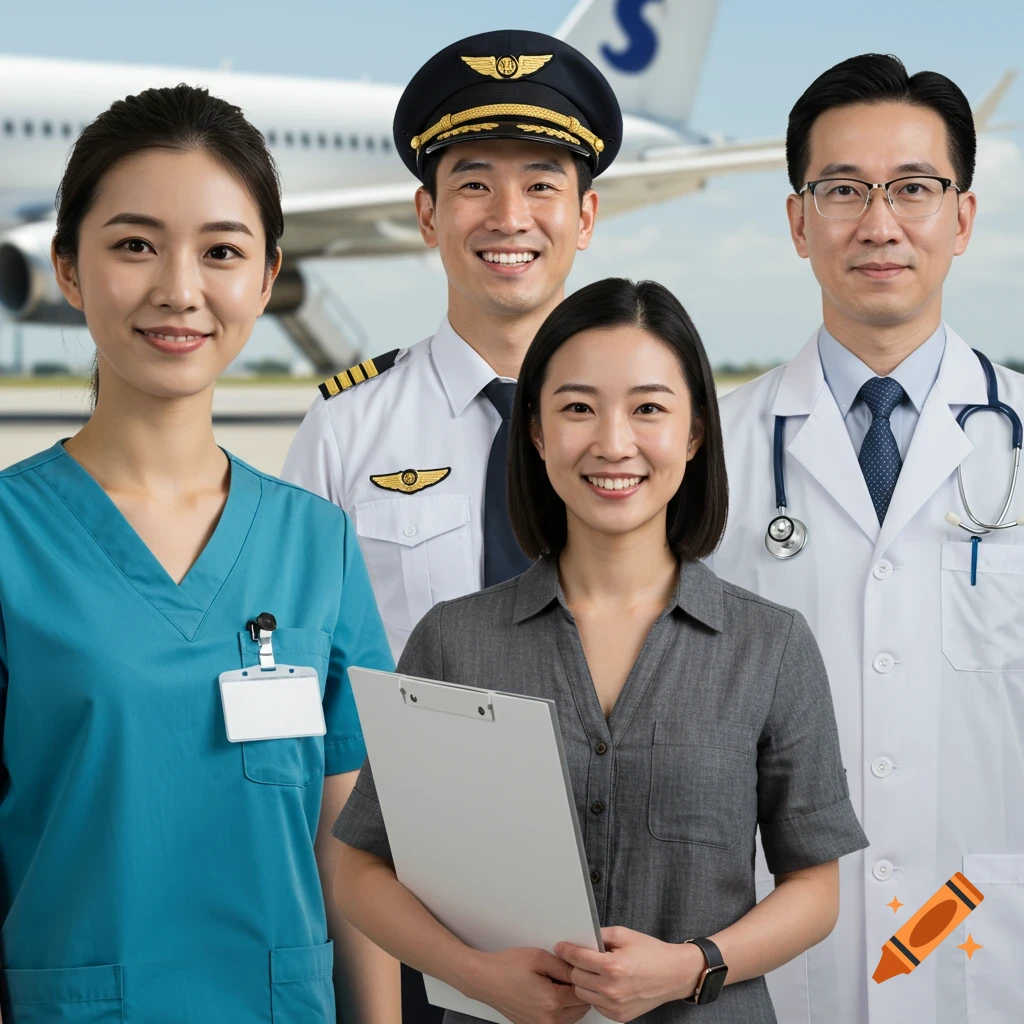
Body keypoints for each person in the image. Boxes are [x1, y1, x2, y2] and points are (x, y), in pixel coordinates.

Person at [329, 278, 869, 1024]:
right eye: (578, 408)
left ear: (694, 433)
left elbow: (816, 890)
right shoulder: (452, 640)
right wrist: (479, 977)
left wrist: (690, 969)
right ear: (537, 432)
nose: (614, 443)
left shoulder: (771, 646)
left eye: (649, 408)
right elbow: (361, 867)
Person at [0, 85, 397, 1023]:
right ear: (67, 267)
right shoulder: (12, 542)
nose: (180, 289)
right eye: (135, 244)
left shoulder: (318, 544)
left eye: (221, 251)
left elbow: (356, 849)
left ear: (265, 279)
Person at [710, 54, 1024, 1024]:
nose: (878, 222)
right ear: (798, 220)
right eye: (842, 189)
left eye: (913, 189)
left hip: (984, 947)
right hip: (773, 943)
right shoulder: (705, 451)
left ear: (961, 217)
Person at [281, 29, 622, 662]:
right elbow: (297, 652)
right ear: (427, 215)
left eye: (542, 185)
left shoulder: (645, 427)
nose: (509, 217)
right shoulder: (345, 429)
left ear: (585, 218)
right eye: (473, 185)